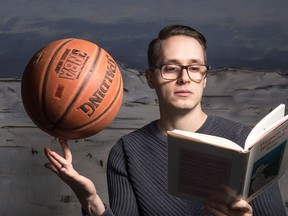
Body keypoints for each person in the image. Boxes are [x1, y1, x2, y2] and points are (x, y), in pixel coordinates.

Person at [44, 24, 286, 216]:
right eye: (171, 68)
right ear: (150, 78)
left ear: (205, 77)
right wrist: (90, 201)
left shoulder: (247, 142)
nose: (184, 78)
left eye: (195, 68)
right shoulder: (128, 151)